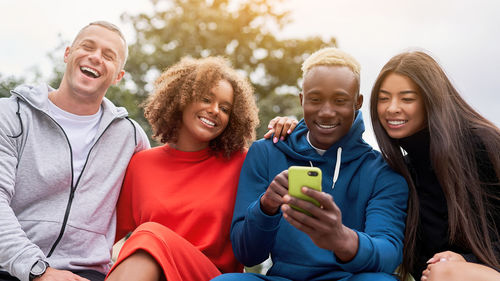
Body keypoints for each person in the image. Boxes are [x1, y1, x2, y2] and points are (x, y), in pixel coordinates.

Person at [212, 47, 409, 281]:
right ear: (302, 100)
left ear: (357, 103)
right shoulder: (265, 153)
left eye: (339, 100)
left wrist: (342, 239)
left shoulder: (382, 171)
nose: (326, 112)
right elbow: (247, 254)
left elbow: (389, 253)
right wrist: (266, 206)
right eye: (315, 99)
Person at [105, 56, 297, 281]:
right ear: (182, 98)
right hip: (153, 274)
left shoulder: (242, 162)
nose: (215, 110)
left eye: (225, 108)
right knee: (146, 240)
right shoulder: (141, 165)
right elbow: (109, 238)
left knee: (148, 235)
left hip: (212, 278)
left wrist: (293, 129)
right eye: (206, 99)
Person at [0, 21, 150, 281]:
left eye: (108, 55)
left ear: (118, 76)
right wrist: (39, 271)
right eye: (88, 47)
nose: (95, 57)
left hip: (85, 274)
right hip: (7, 265)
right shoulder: (10, 115)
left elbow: (150, 208)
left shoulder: (131, 137)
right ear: (68, 53)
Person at [369, 50, 500, 281]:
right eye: (383, 98)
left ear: (431, 100)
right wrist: (295, 133)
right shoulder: (401, 171)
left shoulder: (484, 144)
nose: (392, 108)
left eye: (407, 98)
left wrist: (465, 263)